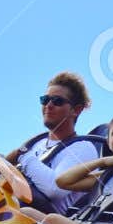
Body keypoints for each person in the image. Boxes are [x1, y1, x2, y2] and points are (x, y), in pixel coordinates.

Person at [7, 72, 99, 215]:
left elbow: (54, 189)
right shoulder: (36, 144)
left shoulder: (82, 147)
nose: (48, 105)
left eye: (57, 101)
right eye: (45, 100)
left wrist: (22, 155)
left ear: (76, 110)